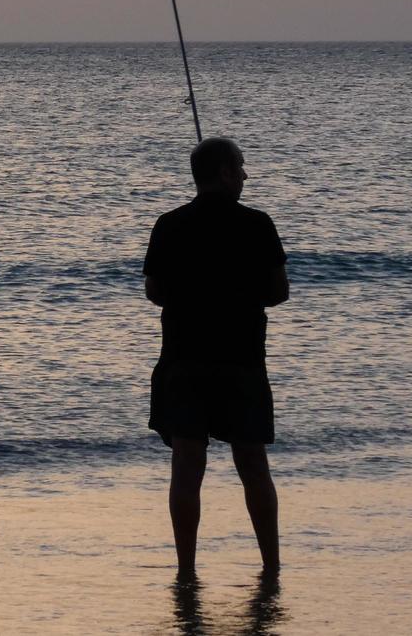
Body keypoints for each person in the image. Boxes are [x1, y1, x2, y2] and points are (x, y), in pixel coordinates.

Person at [143, 137, 289, 578]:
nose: (246, 175)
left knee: (188, 465)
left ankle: (186, 570)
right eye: (241, 166)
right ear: (225, 172)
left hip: (184, 360)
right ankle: (271, 565)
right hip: (241, 360)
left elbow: (153, 291)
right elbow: (279, 292)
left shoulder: (168, 224)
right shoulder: (258, 224)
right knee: (253, 464)